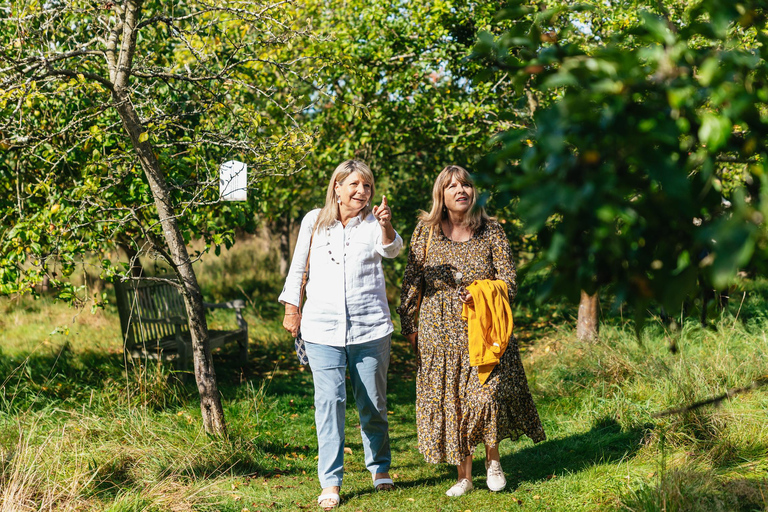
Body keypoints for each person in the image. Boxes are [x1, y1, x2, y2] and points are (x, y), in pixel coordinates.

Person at [397, 165, 546, 497]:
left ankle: (493, 462)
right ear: (441, 195)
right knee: (455, 402)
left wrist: (480, 292)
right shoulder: (426, 230)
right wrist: (409, 325)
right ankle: (464, 475)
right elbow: (412, 280)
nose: (460, 190)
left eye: (465, 185)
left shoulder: (491, 230)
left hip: (484, 325)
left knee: (486, 394)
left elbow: (509, 281)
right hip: (439, 330)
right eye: (452, 187)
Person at [279, 159, 403, 511]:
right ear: (337, 187)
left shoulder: (374, 223)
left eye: (367, 186)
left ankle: (380, 469)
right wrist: (292, 308)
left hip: (370, 328)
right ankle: (330, 480)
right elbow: (299, 265)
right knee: (329, 404)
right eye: (354, 185)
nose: (362, 192)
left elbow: (392, 250)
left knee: (372, 403)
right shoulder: (314, 221)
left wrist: (386, 225)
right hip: (321, 329)